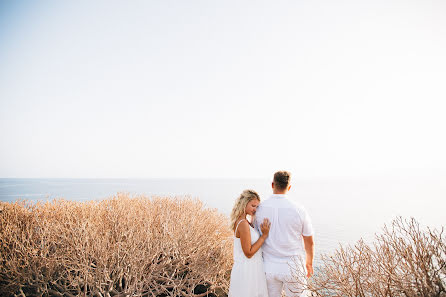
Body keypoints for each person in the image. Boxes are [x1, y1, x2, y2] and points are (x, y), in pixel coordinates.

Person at [254, 171, 314, 297]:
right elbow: (309, 241)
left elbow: (254, 236)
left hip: (268, 267)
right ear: (289, 187)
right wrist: (309, 263)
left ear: (272, 184)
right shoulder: (299, 210)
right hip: (294, 267)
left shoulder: (259, 209)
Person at [228, 189, 271, 297]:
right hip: (247, 271)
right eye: (253, 206)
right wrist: (264, 236)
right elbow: (248, 253)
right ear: (244, 203)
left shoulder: (244, 221)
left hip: (251, 269)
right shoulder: (243, 223)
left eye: (257, 207)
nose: (255, 209)